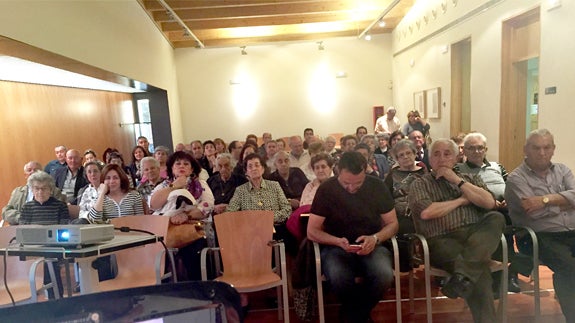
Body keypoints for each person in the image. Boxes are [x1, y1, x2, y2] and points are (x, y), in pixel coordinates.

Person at [408, 138, 505, 323]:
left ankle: (461, 278)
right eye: (436, 154)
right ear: (430, 159)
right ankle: (465, 277)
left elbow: (490, 203)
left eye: (447, 154)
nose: (442, 158)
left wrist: (457, 181)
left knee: (496, 218)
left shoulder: (470, 179)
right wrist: (462, 200)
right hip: (441, 240)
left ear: (456, 158)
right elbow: (428, 212)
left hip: (475, 237)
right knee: (480, 276)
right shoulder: (420, 184)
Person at [307, 151, 398, 323]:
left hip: (372, 244)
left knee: (384, 275)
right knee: (338, 276)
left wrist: (376, 238)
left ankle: (353, 315)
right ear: (337, 171)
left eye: (358, 183)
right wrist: (337, 241)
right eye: (346, 183)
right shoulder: (327, 189)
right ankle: (359, 315)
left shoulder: (377, 186)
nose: (351, 188)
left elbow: (393, 224)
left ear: (365, 171)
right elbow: (312, 231)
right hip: (336, 246)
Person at [504, 129, 575, 322]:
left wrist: (544, 200)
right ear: (525, 150)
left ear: (553, 149)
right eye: (536, 148)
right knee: (569, 268)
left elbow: (542, 205)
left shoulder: (563, 170)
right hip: (537, 235)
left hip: (571, 231)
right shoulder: (516, 178)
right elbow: (534, 213)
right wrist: (564, 202)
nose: (542, 153)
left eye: (546, 147)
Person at [455, 132, 520, 293]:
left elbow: (511, 185)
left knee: (515, 229)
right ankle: (500, 277)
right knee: (499, 230)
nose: (476, 152)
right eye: (471, 148)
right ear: (464, 151)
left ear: (485, 149)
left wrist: (509, 199)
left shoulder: (497, 166)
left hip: (505, 208)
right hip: (478, 210)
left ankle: (511, 273)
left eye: (480, 148)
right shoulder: (458, 169)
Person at [150, 151, 215, 279]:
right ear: (171, 169)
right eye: (177, 164)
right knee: (158, 253)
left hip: (193, 229)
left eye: (186, 164)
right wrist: (174, 186)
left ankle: (196, 290)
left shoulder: (200, 184)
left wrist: (186, 215)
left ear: (191, 169)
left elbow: (208, 205)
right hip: (167, 230)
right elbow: (153, 205)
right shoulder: (164, 185)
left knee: (191, 253)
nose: (181, 166)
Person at [19, 171, 70, 299]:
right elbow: (23, 230)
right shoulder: (27, 207)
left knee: (50, 260)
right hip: (32, 247)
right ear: (32, 189)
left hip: (54, 247)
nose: (40, 192)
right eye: (37, 188)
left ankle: (55, 298)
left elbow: (64, 227)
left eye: (44, 188)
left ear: (51, 190)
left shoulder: (60, 206)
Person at [384, 139, 427, 235]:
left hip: (424, 213)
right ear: (397, 159)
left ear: (415, 154)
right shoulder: (393, 175)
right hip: (401, 217)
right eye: (401, 155)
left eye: (408, 153)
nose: (405, 157)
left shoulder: (424, 172)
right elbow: (386, 199)